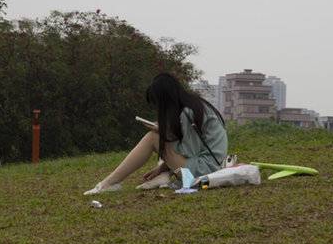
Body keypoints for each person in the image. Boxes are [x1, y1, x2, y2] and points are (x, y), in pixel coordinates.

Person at [84, 73, 228, 195]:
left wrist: (164, 135)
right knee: (157, 137)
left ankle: (108, 183)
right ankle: (112, 182)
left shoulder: (188, 113)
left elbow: (190, 152)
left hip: (205, 170)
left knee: (153, 137)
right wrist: (163, 166)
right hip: (207, 165)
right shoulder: (193, 106)